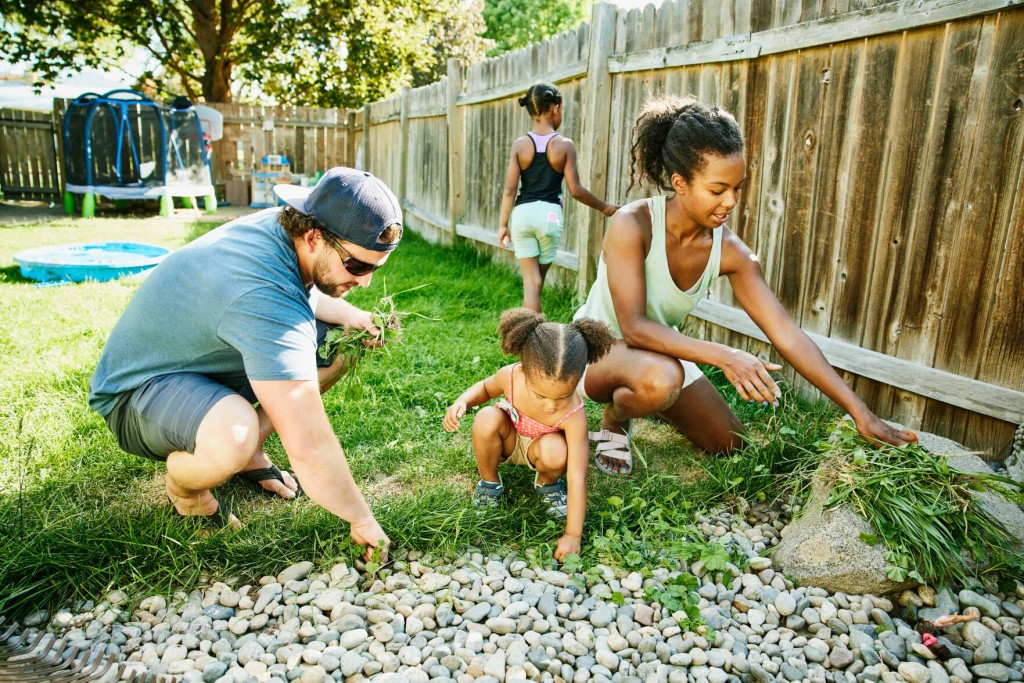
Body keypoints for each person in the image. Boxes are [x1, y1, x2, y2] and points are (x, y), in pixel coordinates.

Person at [575, 95, 918, 476]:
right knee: (662, 379)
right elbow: (635, 327)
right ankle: (617, 417)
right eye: (717, 189)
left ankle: (651, 397)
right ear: (680, 183)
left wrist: (860, 413)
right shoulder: (632, 224)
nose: (731, 202)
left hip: (660, 357)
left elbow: (787, 334)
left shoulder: (732, 253)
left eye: (738, 188)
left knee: (731, 444)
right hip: (596, 350)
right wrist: (724, 355)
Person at [88, 167, 400, 559]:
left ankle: (250, 453)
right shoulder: (262, 296)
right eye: (357, 266)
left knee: (343, 345)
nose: (367, 280)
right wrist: (362, 520)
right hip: (136, 392)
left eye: (375, 268)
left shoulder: (286, 234)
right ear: (314, 236)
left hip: (201, 357)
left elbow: (304, 294)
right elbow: (309, 444)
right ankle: (187, 490)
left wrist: (350, 315)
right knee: (233, 434)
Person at [443, 308, 615, 560]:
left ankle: (547, 484)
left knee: (557, 451)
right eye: (540, 395)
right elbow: (484, 387)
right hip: (509, 440)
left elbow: (577, 476)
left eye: (563, 396)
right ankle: (490, 483)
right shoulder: (511, 377)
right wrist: (463, 402)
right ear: (523, 372)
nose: (551, 405)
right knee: (486, 417)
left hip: (542, 449)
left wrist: (572, 535)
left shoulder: (574, 415)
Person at [498, 83, 619, 313]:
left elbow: (509, 190)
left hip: (522, 215)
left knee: (531, 285)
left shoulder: (520, 145)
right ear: (555, 108)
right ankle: (534, 341)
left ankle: (525, 339)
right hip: (549, 217)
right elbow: (576, 190)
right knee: (537, 283)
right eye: (561, 109)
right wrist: (605, 207)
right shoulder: (564, 146)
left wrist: (503, 224)